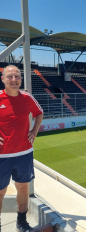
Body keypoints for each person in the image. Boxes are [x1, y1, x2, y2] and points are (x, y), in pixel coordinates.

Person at [0, 65, 43, 232]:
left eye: (17, 76)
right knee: (1, 191)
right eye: (10, 76)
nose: (14, 80)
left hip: (24, 153)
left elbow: (39, 113)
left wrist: (34, 130)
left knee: (23, 188)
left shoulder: (27, 98)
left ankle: (22, 222)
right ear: (2, 79)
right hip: (2, 156)